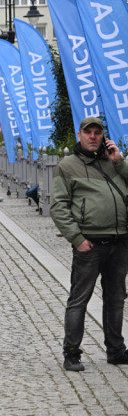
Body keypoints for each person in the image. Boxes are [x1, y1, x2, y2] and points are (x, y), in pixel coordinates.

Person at [50, 116, 128, 371]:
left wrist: (120, 162)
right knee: (79, 299)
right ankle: (71, 352)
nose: (93, 137)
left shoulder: (113, 162)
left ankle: (116, 350)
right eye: (88, 132)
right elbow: (58, 207)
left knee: (116, 298)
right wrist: (77, 238)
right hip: (90, 243)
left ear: (103, 135)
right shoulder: (68, 166)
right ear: (79, 135)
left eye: (97, 132)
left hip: (120, 241)